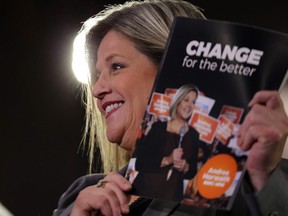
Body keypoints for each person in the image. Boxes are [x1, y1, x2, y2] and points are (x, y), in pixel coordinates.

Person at [52, 0, 288, 216]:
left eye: (116, 66)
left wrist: (261, 176)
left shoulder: (249, 184)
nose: (97, 89)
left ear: (171, 71)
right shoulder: (79, 196)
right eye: (97, 76)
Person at [133, 84, 200, 202]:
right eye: (186, 100)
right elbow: (140, 163)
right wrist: (168, 159)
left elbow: (192, 172)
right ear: (178, 101)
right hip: (143, 193)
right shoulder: (158, 128)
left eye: (193, 102)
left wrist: (185, 166)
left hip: (171, 199)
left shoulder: (194, 135)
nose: (190, 105)